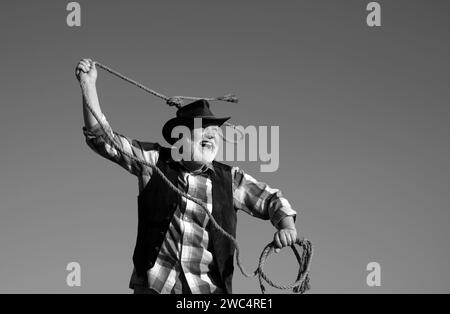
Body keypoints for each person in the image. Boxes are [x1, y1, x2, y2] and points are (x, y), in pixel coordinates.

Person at [76, 58, 298, 294]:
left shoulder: (230, 179)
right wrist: (88, 86)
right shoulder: (153, 162)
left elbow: (273, 200)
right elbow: (103, 140)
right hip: (156, 286)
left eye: (215, 133)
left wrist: (287, 227)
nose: (213, 137)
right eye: (204, 129)